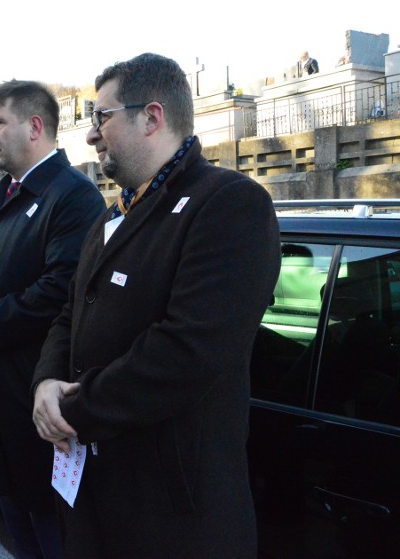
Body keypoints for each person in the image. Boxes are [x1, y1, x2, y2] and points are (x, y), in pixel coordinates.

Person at [31, 53, 281, 558]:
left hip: (171, 518)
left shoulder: (229, 204)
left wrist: (74, 408)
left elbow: (187, 351)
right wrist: (46, 383)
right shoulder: (112, 215)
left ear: (152, 117)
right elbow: (70, 312)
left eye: (101, 117)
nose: (91, 134)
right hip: (95, 499)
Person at [0, 80, 105, 559]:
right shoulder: (6, 195)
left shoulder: (72, 196)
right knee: (16, 518)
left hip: (34, 392)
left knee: (48, 524)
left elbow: (60, 292)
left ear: (35, 127)